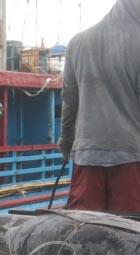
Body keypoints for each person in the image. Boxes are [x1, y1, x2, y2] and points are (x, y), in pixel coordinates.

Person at [58, 0, 140, 213]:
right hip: (131, 159)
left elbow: (69, 102)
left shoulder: (77, 43)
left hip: (86, 156)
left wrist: (66, 143)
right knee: (129, 234)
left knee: (83, 231)